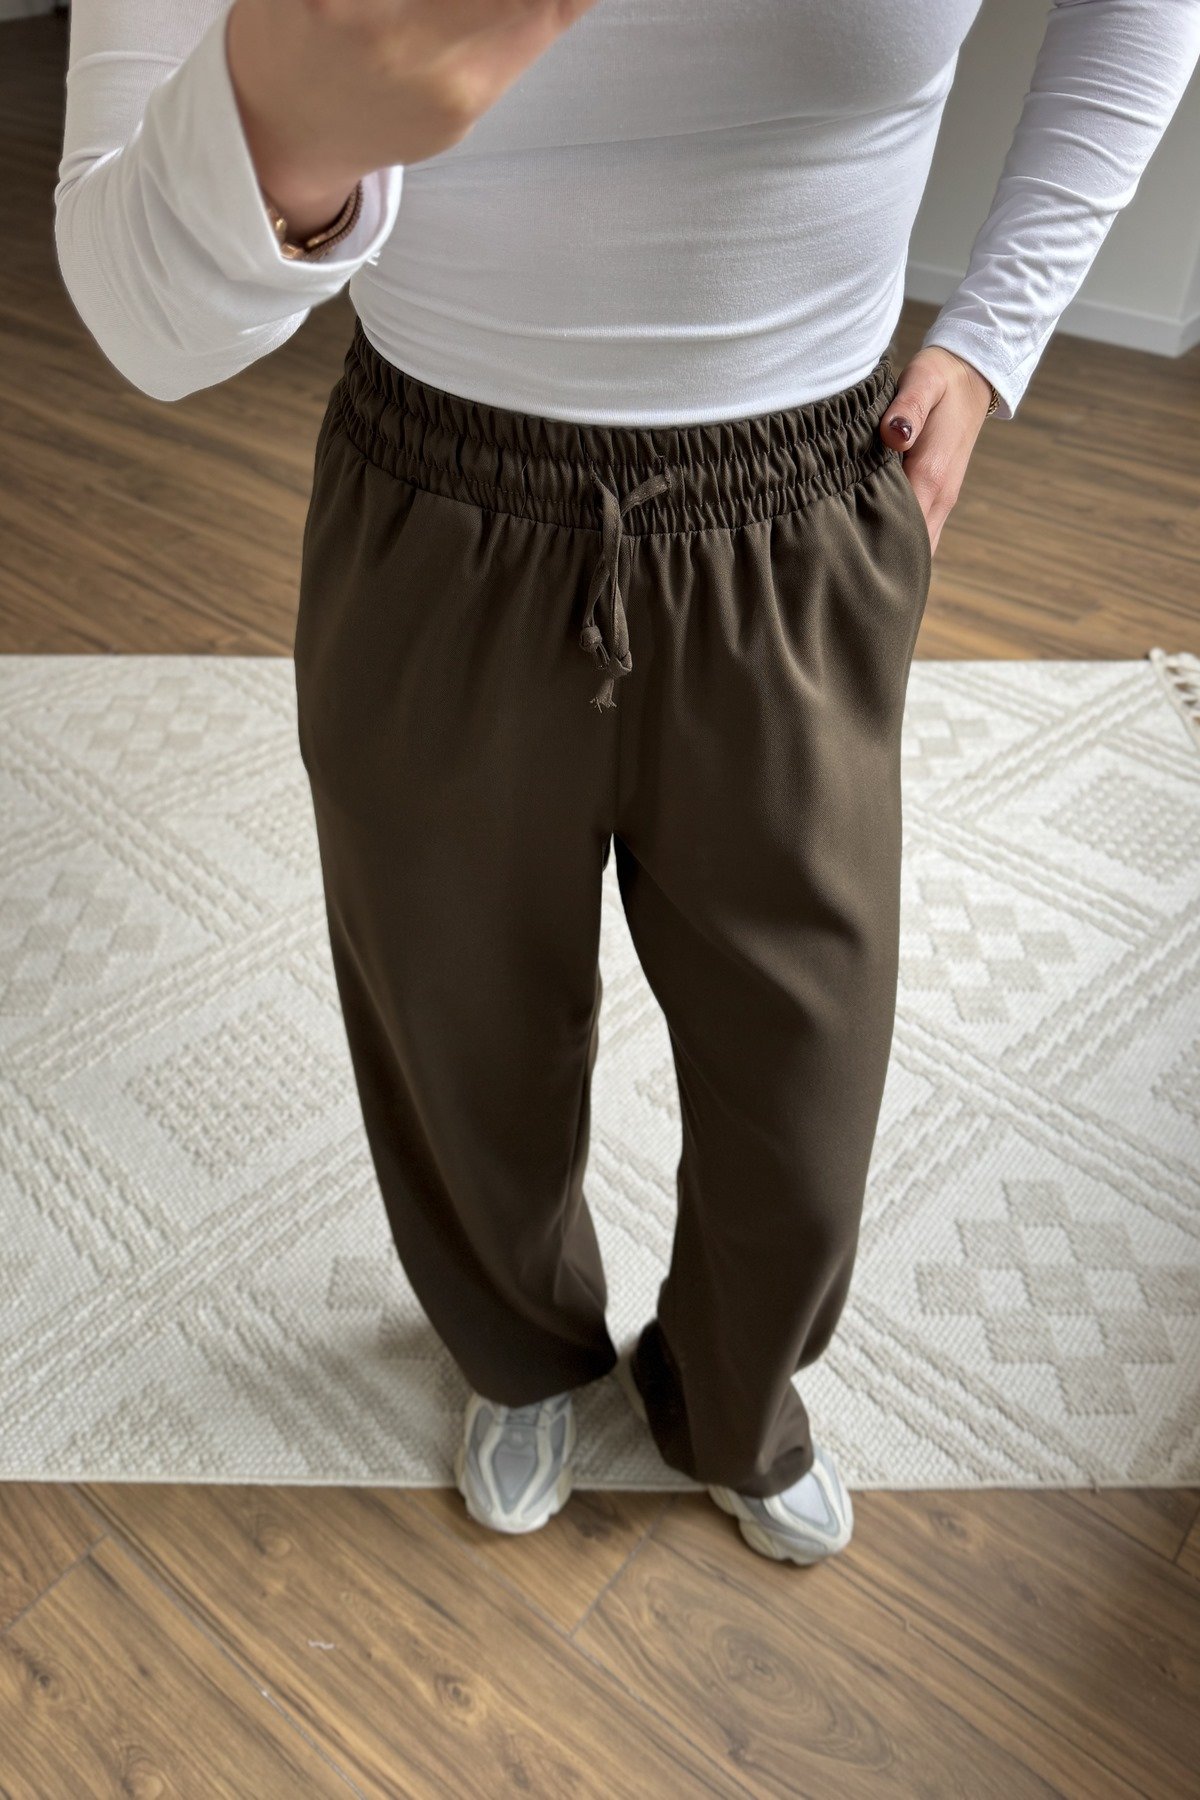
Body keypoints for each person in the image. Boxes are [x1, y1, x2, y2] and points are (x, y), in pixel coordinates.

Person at [54, 0, 1200, 1566]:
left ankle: (730, 1398)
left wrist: (997, 331)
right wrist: (282, 131)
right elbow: (140, 318)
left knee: (807, 1079)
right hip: (433, 507)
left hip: (800, 507)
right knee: (457, 1032)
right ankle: (522, 1354)